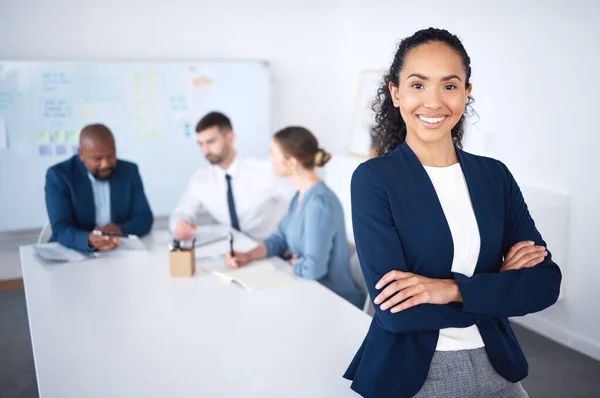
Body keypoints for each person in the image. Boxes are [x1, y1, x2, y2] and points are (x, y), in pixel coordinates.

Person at [343, 28, 562, 398]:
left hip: (499, 365)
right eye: (417, 85)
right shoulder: (374, 180)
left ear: (466, 93)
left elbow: (545, 284)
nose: (433, 102)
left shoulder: (494, 176)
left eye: (449, 86)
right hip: (416, 374)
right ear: (396, 93)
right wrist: (496, 286)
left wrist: (447, 289)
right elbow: (395, 312)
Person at [224, 127, 365, 309]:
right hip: (307, 292)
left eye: (273, 154)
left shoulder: (319, 203)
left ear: (291, 162)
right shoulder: (299, 197)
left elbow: (313, 269)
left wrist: (293, 263)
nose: (270, 159)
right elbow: (279, 240)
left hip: (334, 301)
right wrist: (247, 256)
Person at [170, 112, 294, 241]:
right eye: (200, 144)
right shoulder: (201, 179)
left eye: (211, 142)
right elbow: (182, 211)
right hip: (231, 252)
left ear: (230, 138)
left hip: (273, 250)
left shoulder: (265, 170)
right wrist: (179, 224)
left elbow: (301, 203)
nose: (205, 151)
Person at [45, 124, 154, 252]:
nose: (105, 164)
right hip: (73, 253)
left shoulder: (129, 171)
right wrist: (88, 240)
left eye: (110, 156)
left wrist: (119, 230)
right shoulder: (59, 176)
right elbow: (60, 228)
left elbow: (145, 217)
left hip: (117, 253)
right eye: (97, 159)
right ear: (81, 154)